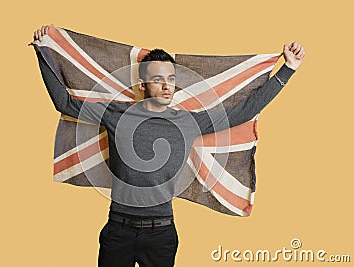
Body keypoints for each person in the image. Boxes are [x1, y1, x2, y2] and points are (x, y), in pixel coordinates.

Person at [33, 24, 305, 267]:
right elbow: (65, 104)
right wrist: (43, 52)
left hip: (161, 234)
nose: (167, 86)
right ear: (142, 84)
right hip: (118, 230)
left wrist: (288, 69)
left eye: (171, 80)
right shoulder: (116, 114)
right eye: (158, 79)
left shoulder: (189, 122)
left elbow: (244, 111)